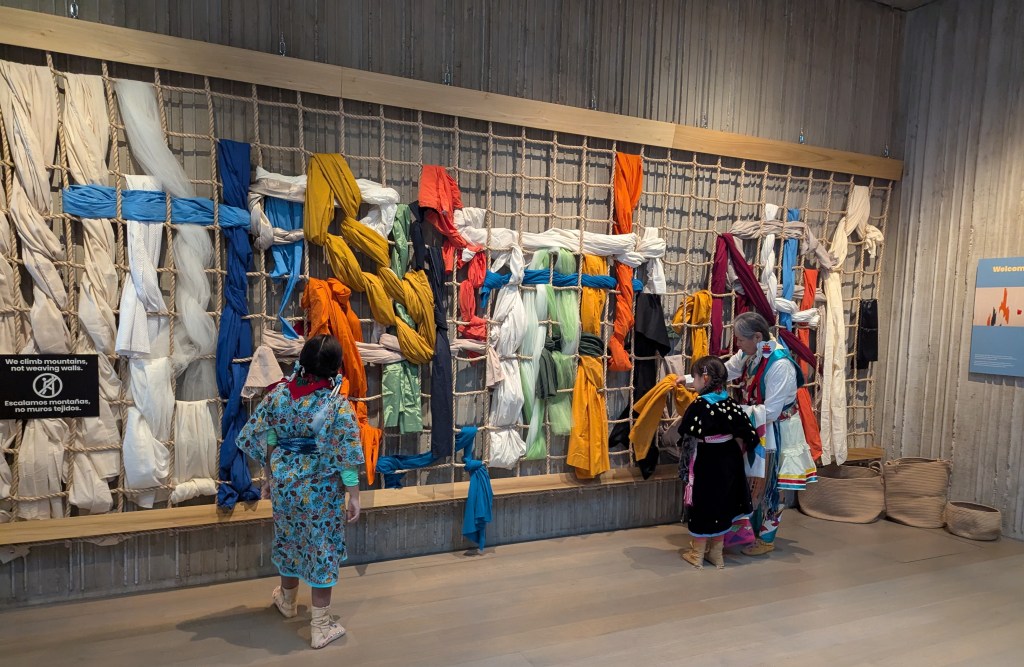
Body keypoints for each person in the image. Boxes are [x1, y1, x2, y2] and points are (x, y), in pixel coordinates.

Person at [237, 334, 364, 649]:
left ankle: (288, 601)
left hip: (285, 488)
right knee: (321, 549)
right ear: (335, 367)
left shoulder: (279, 395)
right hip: (319, 491)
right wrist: (354, 495)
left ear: (303, 361)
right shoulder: (334, 405)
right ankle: (320, 626)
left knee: (289, 539)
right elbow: (346, 456)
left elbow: (268, 440)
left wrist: (269, 477)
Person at [726, 312, 817, 557]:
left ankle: (766, 538)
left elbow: (773, 411)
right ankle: (749, 530)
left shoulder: (780, 365)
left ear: (757, 336)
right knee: (752, 480)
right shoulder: (751, 352)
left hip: (777, 429)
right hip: (756, 426)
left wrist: (732, 412)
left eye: (740, 340)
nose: (737, 344)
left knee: (772, 486)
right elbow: (727, 371)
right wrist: (693, 379)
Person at [675, 356, 756, 569]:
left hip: (706, 459)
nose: (693, 382)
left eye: (694, 377)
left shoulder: (700, 405)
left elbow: (684, 430)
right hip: (730, 459)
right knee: (722, 502)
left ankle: (697, 554)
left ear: (705, 377)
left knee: (703, 504)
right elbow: (749, 433)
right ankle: (717, 554)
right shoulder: (730, 403)